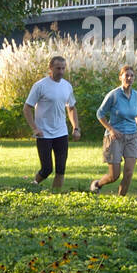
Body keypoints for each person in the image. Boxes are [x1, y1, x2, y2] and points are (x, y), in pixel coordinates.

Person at [90, 64, 137, 196]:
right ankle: (97, 184)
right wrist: (111, 129)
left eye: (132, 75)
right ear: (120, 77)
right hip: (115, 137)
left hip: (132, 136)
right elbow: (100, 114)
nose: (129, 78)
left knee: (129, 172)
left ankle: (120, 201)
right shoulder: (114, 95)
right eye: (126, 75)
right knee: (114, 175)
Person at [23, 56, 81, 189]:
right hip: (44, 133)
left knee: (61, 169)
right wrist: (34, 128)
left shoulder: (67, 86)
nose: (61, 71)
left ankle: (55, 197)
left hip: (61, 132)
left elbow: (71, 107)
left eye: (63, 68)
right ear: (50, 68)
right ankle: (32, 186)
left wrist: (76, 128)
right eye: (58, 68)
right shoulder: (40, 85)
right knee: (47, 169)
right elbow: (27, 108)